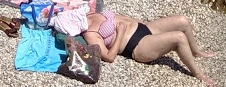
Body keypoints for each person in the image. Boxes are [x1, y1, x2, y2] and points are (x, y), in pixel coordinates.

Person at [79, 9, 215, 86]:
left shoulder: (90, 13)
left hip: (144, 28)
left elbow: (120, 18)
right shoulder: (90, 34)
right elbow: (109, 57)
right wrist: (120, 33)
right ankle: (198, 74)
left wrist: (136, 22)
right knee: (179, 37)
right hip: (138, 46)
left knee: (182, 20)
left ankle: (196, 52)